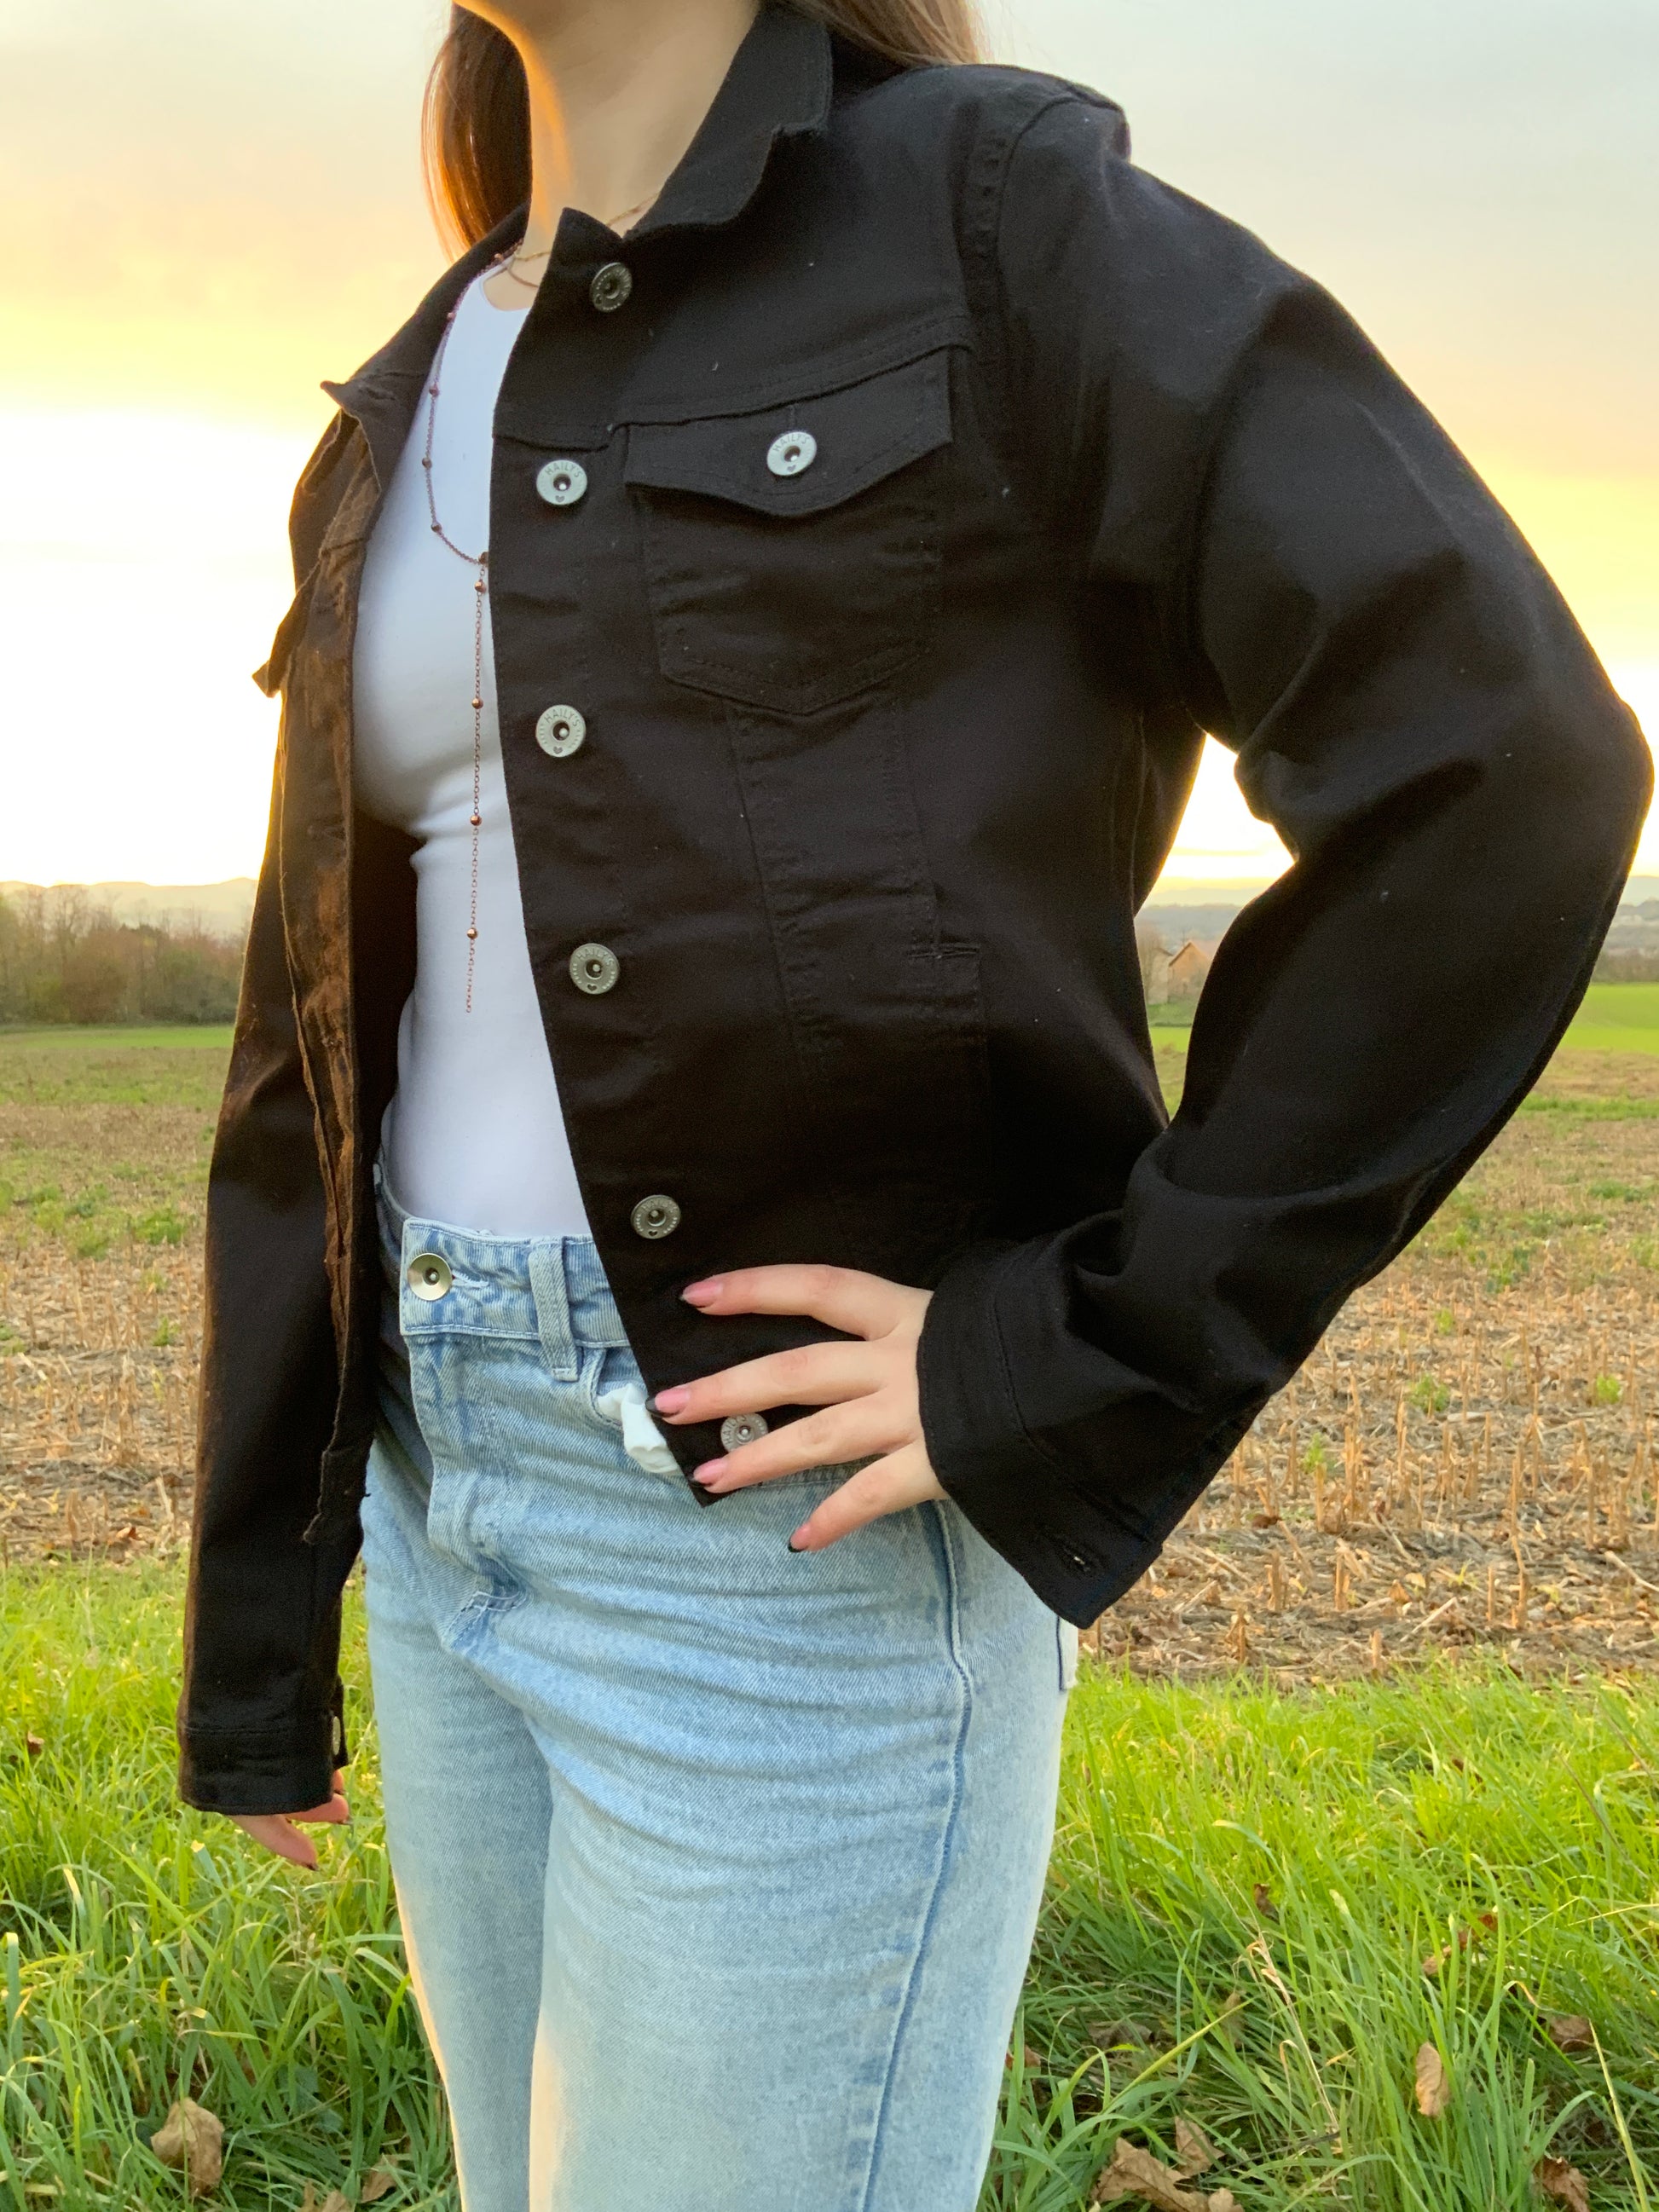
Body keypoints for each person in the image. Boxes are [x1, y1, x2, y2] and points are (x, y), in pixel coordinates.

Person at [175, 1, 1651, 2205]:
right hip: (437, 1491)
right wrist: (260, 1613)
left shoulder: (998, 223)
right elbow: (307, 1044)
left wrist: (1079, 1348)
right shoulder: (411, 385)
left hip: (788, 1549)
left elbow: (1501, 764)